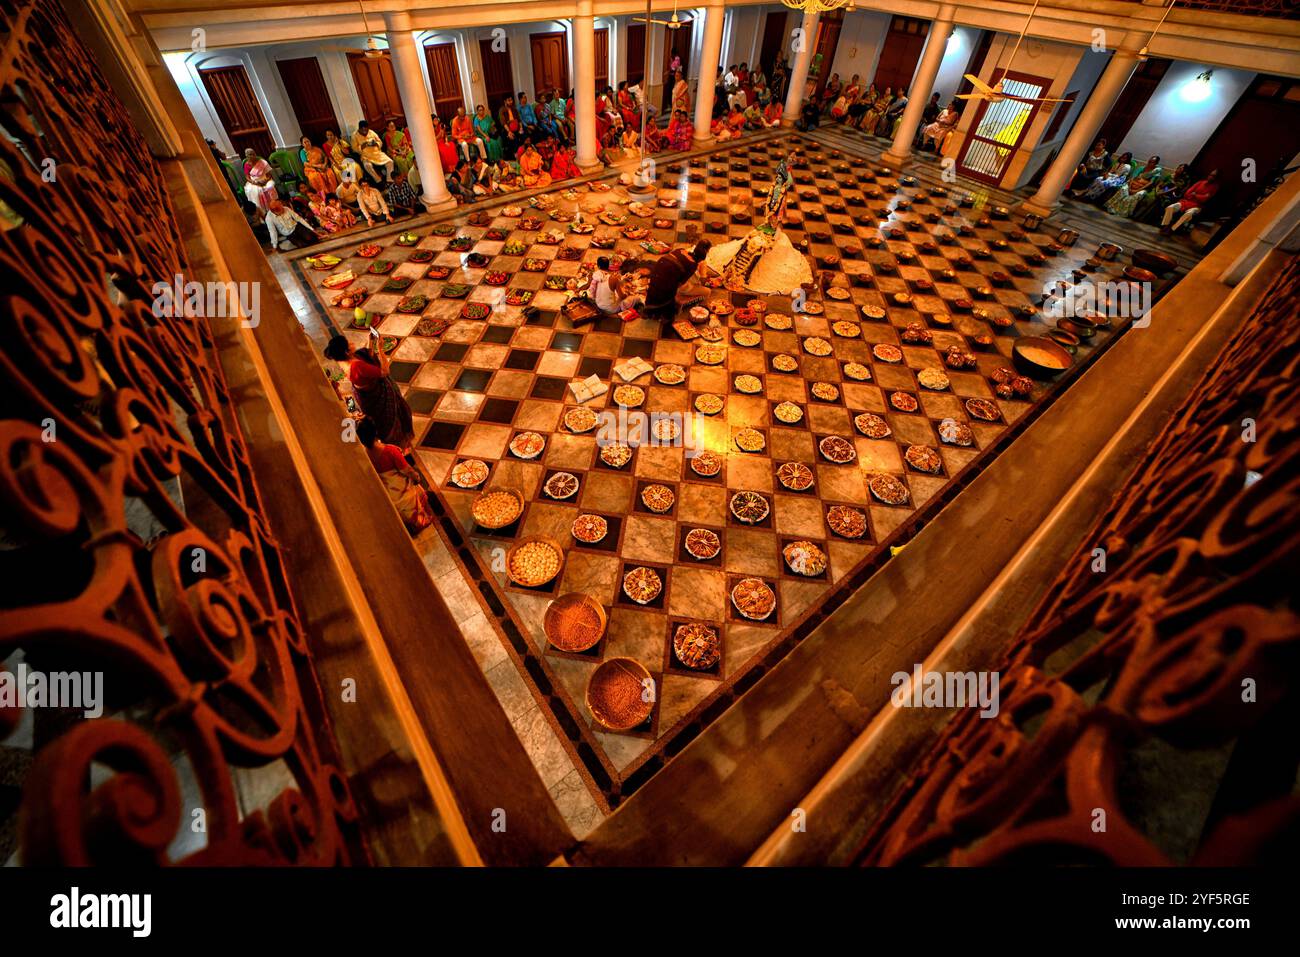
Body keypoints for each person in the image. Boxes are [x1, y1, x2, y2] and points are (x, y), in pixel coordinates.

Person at [323, 334, 414, 451]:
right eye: (348, 343)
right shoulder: (357, 367)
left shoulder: (343, 361)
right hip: (377, 396)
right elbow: (385, 371)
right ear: (346, 352)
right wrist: (380, 350)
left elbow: (367, 356)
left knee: (383, 421)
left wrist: (370, 342)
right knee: (391, 421)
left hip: (366, 396)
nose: (351, 343)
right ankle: (398, 448)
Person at [355, 418, 431, 533]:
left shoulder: (366, 454)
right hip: (400, 490)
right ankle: (418, 522)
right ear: (375, 432)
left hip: (388, 492)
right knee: (416, 487)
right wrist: (416, 477)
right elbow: (407, 471)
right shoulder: (389, 451)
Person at [644, 240, 710, 320]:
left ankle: (650, 311)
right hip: (668, 281)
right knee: (707, 291)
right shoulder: (693, 264)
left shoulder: (681, 250)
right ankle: (701, 310)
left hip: (656, 272)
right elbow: (680, 284)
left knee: (658, 287)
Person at [241, 150, 278, 215]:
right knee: (255, 191)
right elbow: (247, 177)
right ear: (246, 156)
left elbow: (269, 175)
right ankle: (262, 211)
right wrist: (254, 182)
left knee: (270, 187)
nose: (252, 156)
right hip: (254, 182)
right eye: (250, 155)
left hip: (265, 179)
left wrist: (265, 181)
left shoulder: (262, 162)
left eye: (253, 154)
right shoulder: (246, 165)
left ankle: (274, 205)